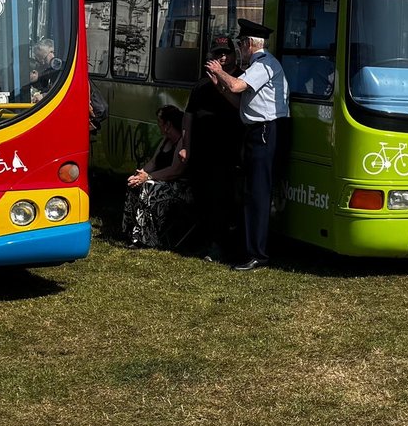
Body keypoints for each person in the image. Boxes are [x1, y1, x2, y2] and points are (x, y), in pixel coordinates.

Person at [205, 18, 290, 270]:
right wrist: (220, 87)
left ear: (250, 44)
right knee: (251, 193)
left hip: (264, 131)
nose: (239, 49)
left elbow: (237, 85)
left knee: (258, 194)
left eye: (241, 43)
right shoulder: (258, 65)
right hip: (255, 131)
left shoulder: (264, 65)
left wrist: (219, 72)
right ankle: (249, 248)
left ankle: (258, 254)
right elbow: (241, 104)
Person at [183, 37, 242, 258]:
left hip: (226, 151)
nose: (222, 58)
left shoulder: (240, 80)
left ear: (235, 56)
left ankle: (219, 245)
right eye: (218, 55)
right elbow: (189, 115)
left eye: (226, 54)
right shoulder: (201, 84)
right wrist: (185, 146)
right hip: (201, 150)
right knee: (202, 197)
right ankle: (204, 240)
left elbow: (240, 107)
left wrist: (221, 84)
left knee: (221, 199)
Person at [124, 105, 190, 249]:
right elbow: (153, 162)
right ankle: (132, 233)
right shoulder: (165, 140)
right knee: (135, 185)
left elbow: (175, 170)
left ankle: (147, 238)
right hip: (161, 181)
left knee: (148, 188)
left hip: (180, 187)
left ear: (168, 124)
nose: (158, 125)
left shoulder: (181, 143)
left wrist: (147, 177)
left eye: (160, 122)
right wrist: (139, 174)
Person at [26, 37, 66, 102]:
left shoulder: (65, 69)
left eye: (43, 59)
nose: (42, 63)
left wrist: (44, 96)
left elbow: (65, 92)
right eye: (40, 60)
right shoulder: (49, 71)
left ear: (52, 52)